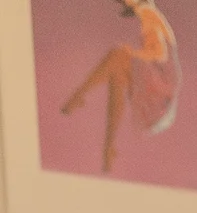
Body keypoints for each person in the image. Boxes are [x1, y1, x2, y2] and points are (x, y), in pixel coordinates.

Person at [62, 2, 180, 177]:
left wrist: (133, 54)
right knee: (117, 74)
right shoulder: (146, 14)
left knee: (117, 55)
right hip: (157, 84)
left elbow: (160, 55)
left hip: (161, 87)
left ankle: (77, 97)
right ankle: (109, 149)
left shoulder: (148, 13)